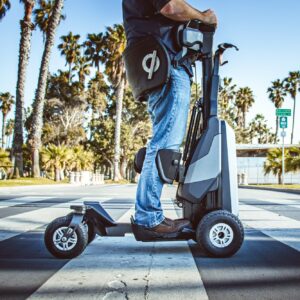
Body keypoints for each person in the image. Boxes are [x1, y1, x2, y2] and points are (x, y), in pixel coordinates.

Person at [122, 0, 217, 234]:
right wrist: (204, 17)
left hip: (162, 65)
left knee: (162, 143)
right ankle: (148, 217)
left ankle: (149, 213)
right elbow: (171, 7)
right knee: (164, 145)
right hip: (167, 68)